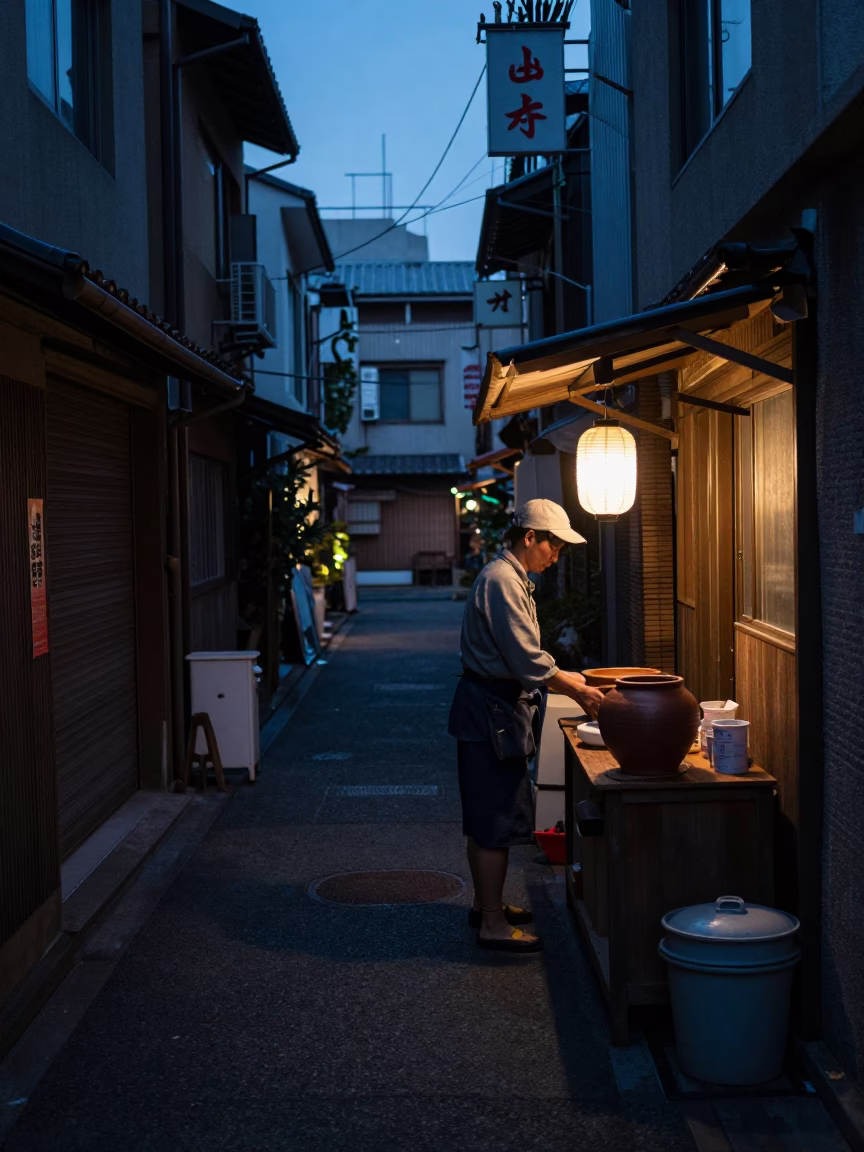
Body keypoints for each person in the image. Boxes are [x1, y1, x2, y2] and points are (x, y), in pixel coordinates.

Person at [448, 499, 605, 953]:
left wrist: (566, 676)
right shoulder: (502, 580)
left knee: (484, 819)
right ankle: (493, 923)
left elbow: (529, 658)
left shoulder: (511, 578)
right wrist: (579, 690)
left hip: (487, 709)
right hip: (490, 712)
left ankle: (486, 905)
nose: (557, 555)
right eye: (553, 545)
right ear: (529, 537)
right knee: (495, 820)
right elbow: (526, 658)